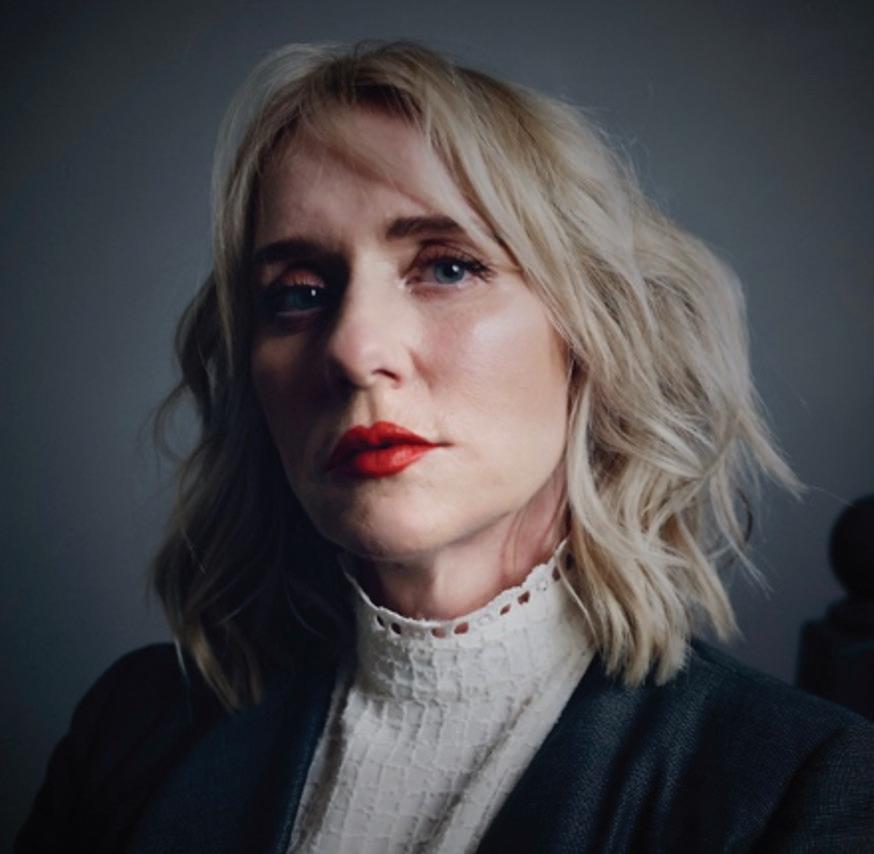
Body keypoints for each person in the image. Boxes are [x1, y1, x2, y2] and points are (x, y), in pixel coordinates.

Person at [16, 40, 874, 853]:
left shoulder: (797, 790)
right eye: (299, 292)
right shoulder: (132, 737)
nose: (354, 349)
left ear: (594, 335)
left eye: (448, 267)